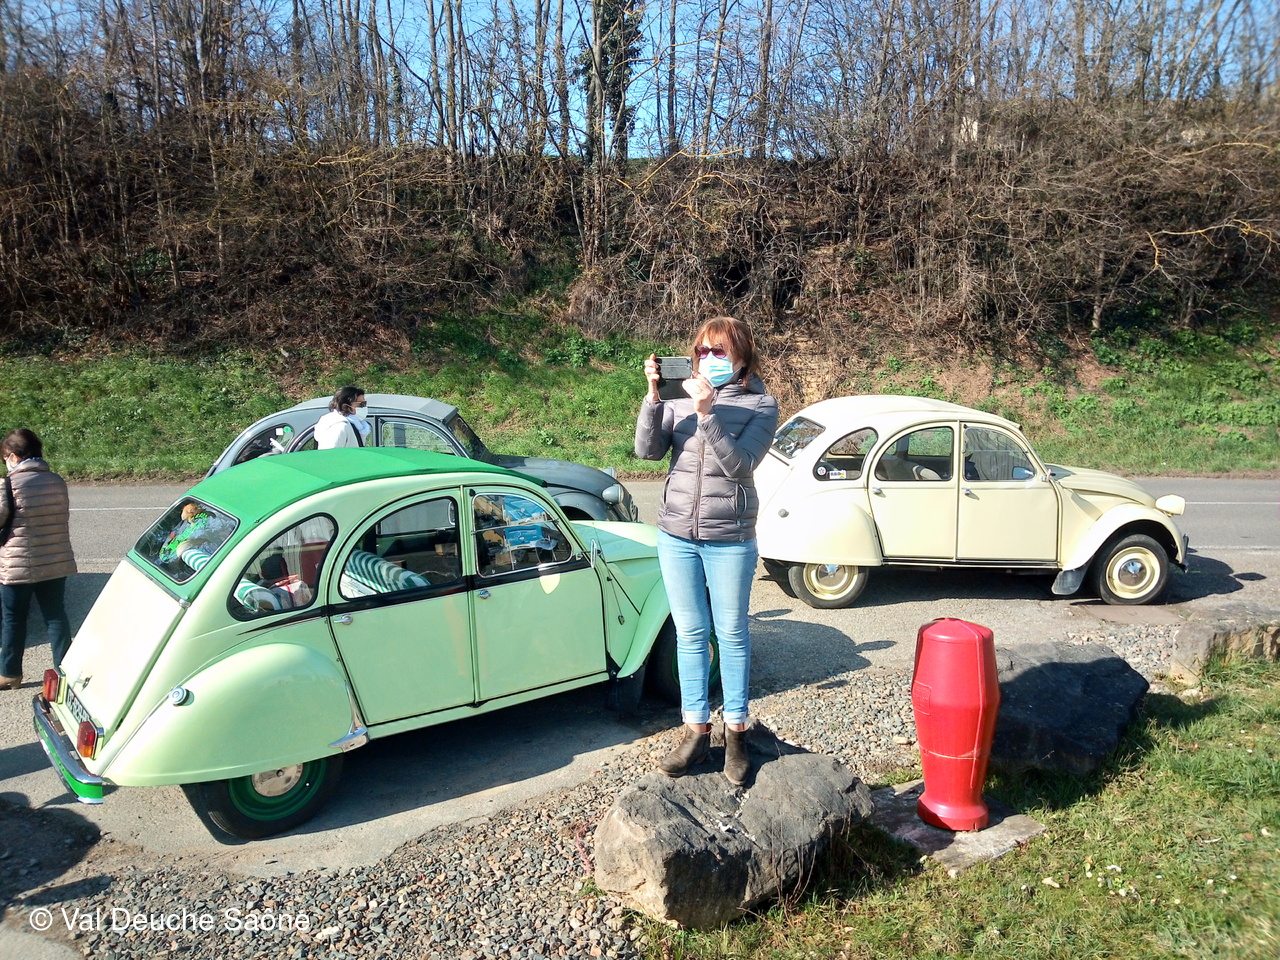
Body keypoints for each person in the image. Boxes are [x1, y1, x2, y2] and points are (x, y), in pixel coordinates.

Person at [635, 316, 779, 785]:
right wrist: (653, 398)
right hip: (676, 534)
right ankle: (695, 730)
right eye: (702, 351)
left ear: (741, 356)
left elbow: (741, 466)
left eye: (719, 351)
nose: (709, 359)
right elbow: (646, 452)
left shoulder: (762, 405)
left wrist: (707, 414)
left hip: (730, 537)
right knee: (690, 633)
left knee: (731, 633)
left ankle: (736, 732)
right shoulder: (678, 399)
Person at [0, 428, 77, 689]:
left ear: (13, 455)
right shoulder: (57, 481)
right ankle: (64, 671)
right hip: (55, 560)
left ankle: (10, 674)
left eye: (5, 458)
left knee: (13, 619)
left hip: (17, 564)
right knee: (55, 616)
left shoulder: (8, 484)